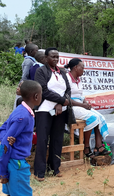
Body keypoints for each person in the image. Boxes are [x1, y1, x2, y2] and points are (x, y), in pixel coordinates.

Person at [34, 48, 70, 181]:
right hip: (44, 110)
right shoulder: (41, 71)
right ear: (46, 57)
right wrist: (60, 101)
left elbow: (68, 90)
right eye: (52, 57)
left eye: (57, 57)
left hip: (60, 111)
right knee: (43, 140)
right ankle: (39, 172)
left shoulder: (62, 72)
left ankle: (54, 168)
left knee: (57, 139)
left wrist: (61, 104)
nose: (55, 59)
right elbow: (43, 90)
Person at [0, 80, 42, 196]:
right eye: (41, 94)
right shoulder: (23, 117)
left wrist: (9, 138)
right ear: (36, 96)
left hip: (12, 162)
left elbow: (3, 129)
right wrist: (2, 172)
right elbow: (4, 144)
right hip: (16, 164)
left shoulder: (20, 110)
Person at [64, 58, 110, 158]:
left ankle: (98, 146)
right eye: (82, 67)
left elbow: (81, 96)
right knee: (92, 118)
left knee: (100, 117)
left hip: (80, 105)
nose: (84, 70)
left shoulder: (78, 80)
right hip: (71, 107)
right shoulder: (66, 78)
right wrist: (82, 105)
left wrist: (86, 103)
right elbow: (66, 99)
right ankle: (86, 146)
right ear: (75, 68)